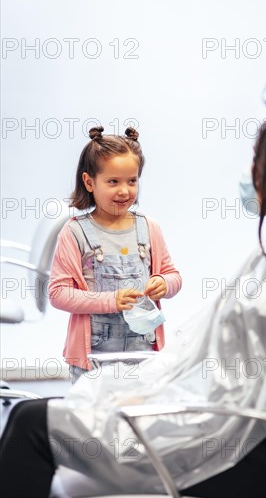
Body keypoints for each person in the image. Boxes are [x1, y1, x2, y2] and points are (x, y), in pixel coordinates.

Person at [0, 114, 266, 498]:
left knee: (30, 423)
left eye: (257, 159)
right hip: (236, 443)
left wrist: (156, 400)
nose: (249, 173)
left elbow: (254, 391)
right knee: (44, 415)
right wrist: (149, 388)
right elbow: (237, 368)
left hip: (232, 456)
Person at [48, 125, 182, 382]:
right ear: (89, 182)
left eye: (132, 181)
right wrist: (110, 301)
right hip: (94, 359)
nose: (124, 191)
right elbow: (58, 293)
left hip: (144, 356)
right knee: (93, 419)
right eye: (113, 182)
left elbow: (173, 276)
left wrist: (164, 284)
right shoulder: (74, 232)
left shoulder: (149, 228)